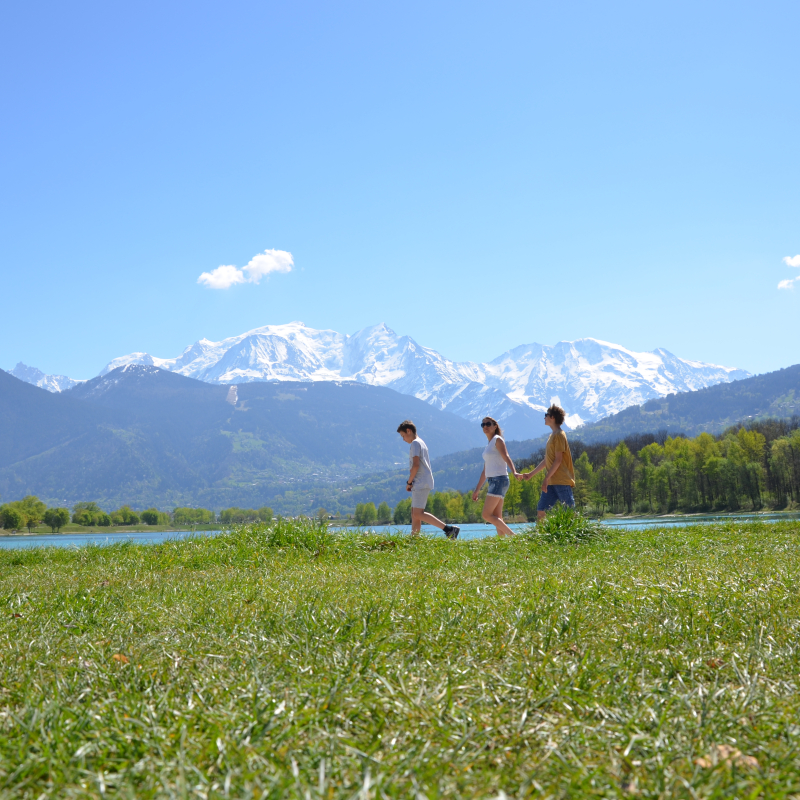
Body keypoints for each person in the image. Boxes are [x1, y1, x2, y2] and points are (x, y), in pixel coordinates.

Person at [397, 420, 460, 539]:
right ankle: (414, 539)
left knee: (417, 513)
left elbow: (415, 466)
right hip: (422, 481)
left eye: (403, 435)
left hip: (420, 481)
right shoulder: (421, 442)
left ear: (409, 431)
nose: (403, 439)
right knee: (415, 514)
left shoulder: (415, 443)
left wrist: (409, 482)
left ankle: (449, 529)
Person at [522, 404, 575, 519]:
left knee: (569, 511)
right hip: (551, 482)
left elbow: (558, 460)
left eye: (546, 415)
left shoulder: (560, 435)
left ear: (553, 417)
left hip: (561, 480)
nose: (544, 417)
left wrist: (546, 478)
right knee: (542, 509)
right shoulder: (552, 436)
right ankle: (541, 535)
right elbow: (547, 460)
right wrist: (531, 474)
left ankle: (574, 535)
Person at [472, 416, 521, 537]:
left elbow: (506, 456)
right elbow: (485, 470)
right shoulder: (489, 445)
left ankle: (513, 536)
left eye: (488, 424)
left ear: (495, 426)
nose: (485, 427)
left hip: (499, 480)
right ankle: (502, 543)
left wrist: (514, 471)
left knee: (486, 515)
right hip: (494, 480)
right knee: (497, 517)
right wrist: (477, 489)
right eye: (483, 425)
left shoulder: (497, 440)